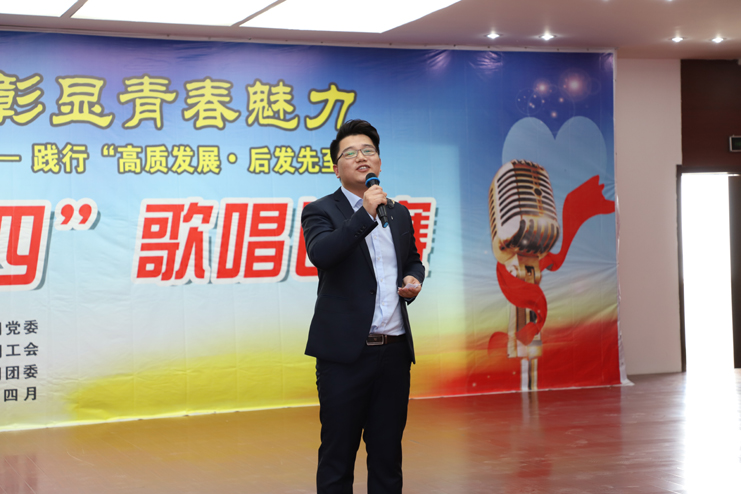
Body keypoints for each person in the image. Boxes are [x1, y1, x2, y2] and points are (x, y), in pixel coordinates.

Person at [301, 119, 425, 494]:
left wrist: (413, 279)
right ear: (336, 168)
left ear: (379, 162)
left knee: (387, 458)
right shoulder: (320, 210)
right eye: (350, 153)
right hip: (344, 357)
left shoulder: (398, 213)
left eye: (368, 150)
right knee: (337, 457)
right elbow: (323, 254)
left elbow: (412, 259)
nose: (361, 157)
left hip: (394, 352)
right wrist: (365, 214)